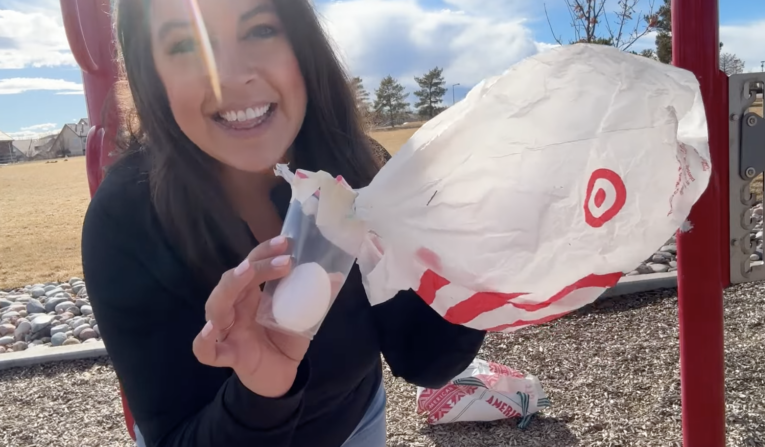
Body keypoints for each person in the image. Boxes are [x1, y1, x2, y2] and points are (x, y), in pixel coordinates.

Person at [80, 1, 486, 446]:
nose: (231, 76)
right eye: (186, 44)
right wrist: (260, 392)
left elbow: (425, 360)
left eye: (260, 30)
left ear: (302, 46)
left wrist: (469, 260)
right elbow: (171, 434)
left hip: (357, 423)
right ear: (152, 75)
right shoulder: (125, 220)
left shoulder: (360, 170)